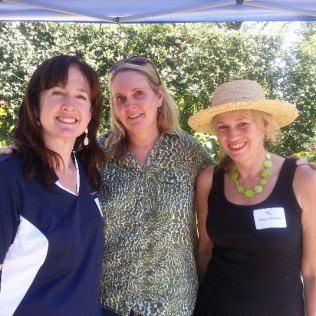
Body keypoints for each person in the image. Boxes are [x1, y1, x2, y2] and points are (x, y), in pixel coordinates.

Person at [188, 79, 316, 316]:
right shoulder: (208, 180)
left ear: (264, 126)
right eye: (223, 127)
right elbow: (205, 251)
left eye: (243, 123)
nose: (232, 135)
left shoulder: (302, 180)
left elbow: (312, 272)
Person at [97, 56, 213, 316]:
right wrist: (19, 153)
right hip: (110, 303)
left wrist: (289, 169)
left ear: (159, 97)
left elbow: (237, 178)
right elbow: (53, 171)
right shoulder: (97, 154)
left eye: (139, 94)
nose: (130, 105)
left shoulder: (190, 152)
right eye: (120, 98)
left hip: (176, 304)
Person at [0, 55, 106, 316]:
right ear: (35, 107)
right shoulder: (10, 176)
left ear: (90, 113)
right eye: (58, 92)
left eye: (81, 96)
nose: (69, 105)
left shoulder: (85, 170)